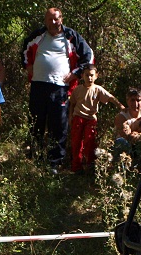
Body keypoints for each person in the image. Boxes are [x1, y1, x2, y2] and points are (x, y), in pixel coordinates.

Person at [21, 7, 94, 172]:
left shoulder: (71, 36)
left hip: (60, 88)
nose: (52, 22)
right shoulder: (38, 35)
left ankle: (55, 163)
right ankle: (36, 158)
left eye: (55, 19)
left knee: (59, 125)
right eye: (49, 19)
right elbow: (24, 50)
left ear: (61, 19)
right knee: (35, 122)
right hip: (38, 85)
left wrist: (76, 74)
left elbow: (88, 55)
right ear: (45, 21)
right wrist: (28, 65)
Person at [67, 66, 124, 173]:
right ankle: (76, 166)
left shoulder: (98, 89)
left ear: (96, 76)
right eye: (87, 75)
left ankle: (90, 165)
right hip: (78, 117)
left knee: (90, 140)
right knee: (76, 141)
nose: (89, 78)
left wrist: (120, 106)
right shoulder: (78, 89)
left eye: (91, 75)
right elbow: (72, 104)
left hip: (91, 118)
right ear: (82, 76)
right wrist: (70, 116)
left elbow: (110, 97)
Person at [111, 87, 141, 160]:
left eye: (138, 100)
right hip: (124, 150)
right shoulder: (121, 117)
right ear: (127, 101)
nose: (135, 103)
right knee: (121, 142)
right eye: (132, 100)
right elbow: (129, 138)